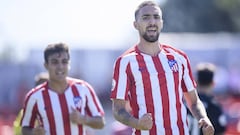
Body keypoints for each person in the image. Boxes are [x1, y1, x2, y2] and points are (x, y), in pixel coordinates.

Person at [110, 1, 215, 135]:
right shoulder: (125, 62)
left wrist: (204, 118)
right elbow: (118, 109)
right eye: (146, 17)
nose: (152, 22)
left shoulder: (179, 58)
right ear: (135, 25)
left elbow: (194, 102)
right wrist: (137, 123)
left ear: (162, 23)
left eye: (156, 17)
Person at [21, 43, 105, 135]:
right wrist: (33, 132)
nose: (60, 67)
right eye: (55, 62)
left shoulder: (83, 88)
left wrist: (83, 119)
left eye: (64, 62)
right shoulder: (34, 96)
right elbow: (25, 128)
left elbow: (101, 122)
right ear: (46, 65)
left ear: (69, 64)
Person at [188, 62, 227, 135]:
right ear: (213, 83)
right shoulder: (214, 105)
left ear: (196, 82)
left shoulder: (187, 102)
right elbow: (220, 131)